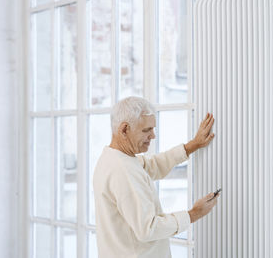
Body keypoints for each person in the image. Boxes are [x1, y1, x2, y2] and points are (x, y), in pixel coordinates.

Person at [93, 96, 219, 258]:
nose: (153, 136)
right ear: (124, 130)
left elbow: (153, 165)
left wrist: (193, 145)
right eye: (146, 130)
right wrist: (194, 213)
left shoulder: (114, 158)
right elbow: (148, 229)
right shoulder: (122, 171)